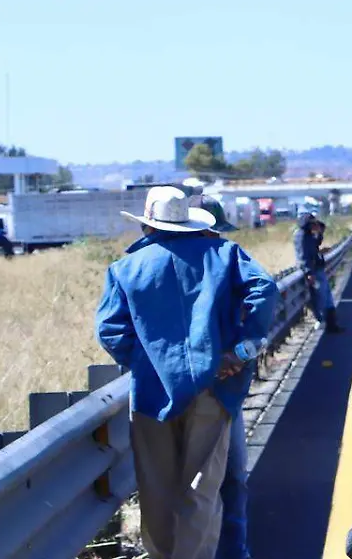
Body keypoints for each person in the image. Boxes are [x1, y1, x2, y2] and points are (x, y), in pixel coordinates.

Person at [96, 186, 278, 559]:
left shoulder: (125, 268)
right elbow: (265, 289)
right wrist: (240, 350)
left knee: (156, 491)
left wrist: (150, 363)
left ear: (149, 226)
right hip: (215, 390)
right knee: (202, 491)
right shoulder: (224, 254)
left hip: (152, 394)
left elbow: (110, 331)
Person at [193, 198, 260, 559]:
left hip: (217, 393)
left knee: (229, 478)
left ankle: (232, 551)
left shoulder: (229, 262)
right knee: (226, 479)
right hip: (212, 392)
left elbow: (260, 301)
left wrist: (241, 352)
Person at [294, 212, 343, 333]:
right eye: (312, 224)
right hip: (314, 271)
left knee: (326, 297)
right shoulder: (301, 236)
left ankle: (331, 324)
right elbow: (303, 256)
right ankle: (327, 324)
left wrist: (320, 233)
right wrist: (309, 273)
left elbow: (315, 245)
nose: (313, 226)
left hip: (317, 270)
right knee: (322, 298)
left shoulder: (308, 235)